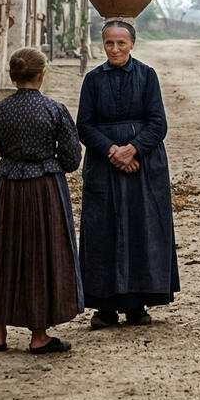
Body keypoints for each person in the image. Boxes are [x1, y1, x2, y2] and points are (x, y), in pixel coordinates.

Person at [0, 47, 83, 354]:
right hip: (44, 189)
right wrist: (48, 162)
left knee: (4, 252)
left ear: (13, 76)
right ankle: (39, 336)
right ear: (41, 75)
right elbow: (72, 157)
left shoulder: (0, 109)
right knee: (40, 253)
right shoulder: (54, 109)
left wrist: (17, 158)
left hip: (8, 187)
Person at [77, 20, 179, 328]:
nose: (115, 49)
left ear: (132, 44)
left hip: (143, 167)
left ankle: (137, 305)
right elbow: (84, 125)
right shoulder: (93, 80)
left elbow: (158, 123)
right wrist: (112, 151)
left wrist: (133, 149)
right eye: (109, 43)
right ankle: (104, 308)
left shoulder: (147, 76)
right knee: (103, 232)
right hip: (103, 166)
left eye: (121, 43)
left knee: (142, 229)